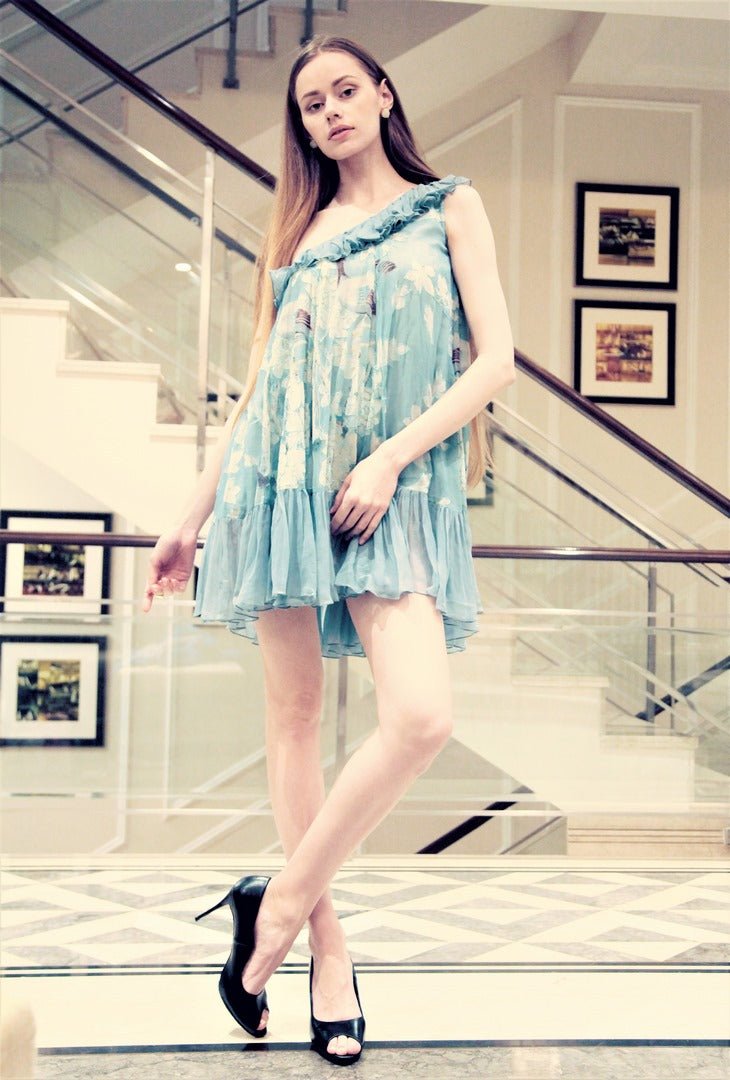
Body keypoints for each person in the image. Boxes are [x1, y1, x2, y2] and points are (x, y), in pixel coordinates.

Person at [143, 33, 515, 1066]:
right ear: (303, 126)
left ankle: (273, 908)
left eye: (346, 90)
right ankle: (328, 954)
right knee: (295, 718)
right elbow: (261, 391)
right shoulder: (298, 236)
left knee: (421, 716)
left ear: (384, 95)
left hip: (390, 489)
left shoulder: (449, 206)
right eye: (312, 104)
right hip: (279, 487)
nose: (332, 111)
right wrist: (190, 516)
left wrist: (392, 458)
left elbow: (495, 360)